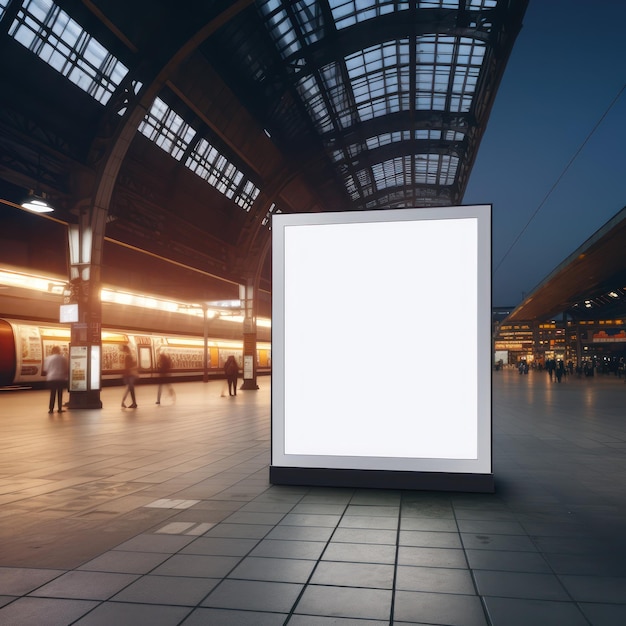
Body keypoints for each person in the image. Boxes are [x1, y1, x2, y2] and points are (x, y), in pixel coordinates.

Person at [44, 345, 68, 413]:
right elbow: (66, 368)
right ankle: (59, 408)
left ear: (52, 351)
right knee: (60, 394)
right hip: (60, 378)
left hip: (51, 378)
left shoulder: (48, 358)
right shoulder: (63, 358)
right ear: (59, 351)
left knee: (52, 394)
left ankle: (51, 409)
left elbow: (46, 369)